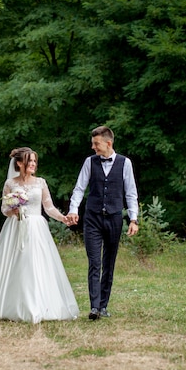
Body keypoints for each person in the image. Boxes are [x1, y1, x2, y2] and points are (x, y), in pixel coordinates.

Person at [0, 147, 79, 323]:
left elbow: (48, 207)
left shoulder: (40, 182)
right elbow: (4, 209)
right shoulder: (10, 184)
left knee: (35, 264)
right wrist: (15, 211)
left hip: (36, 228)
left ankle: (38, 306)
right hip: (16, 227)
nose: (33, 164)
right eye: (29, 161)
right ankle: (10, 304)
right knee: (14, 264)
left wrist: (63, 218)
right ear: (19, 163)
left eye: (34, 161)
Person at [67, 126, 139, 320]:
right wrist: (73, 210)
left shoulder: (125, 163)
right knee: (94, 262)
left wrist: (133, 219)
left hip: (115, 218)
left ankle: (103, 305)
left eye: (96, 143)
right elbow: (79, 188)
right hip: (92, 218)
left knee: (109, 262)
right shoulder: (89, 162)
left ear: (108, 143)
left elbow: (131, 192)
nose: (93, 147)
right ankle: (94, 307)